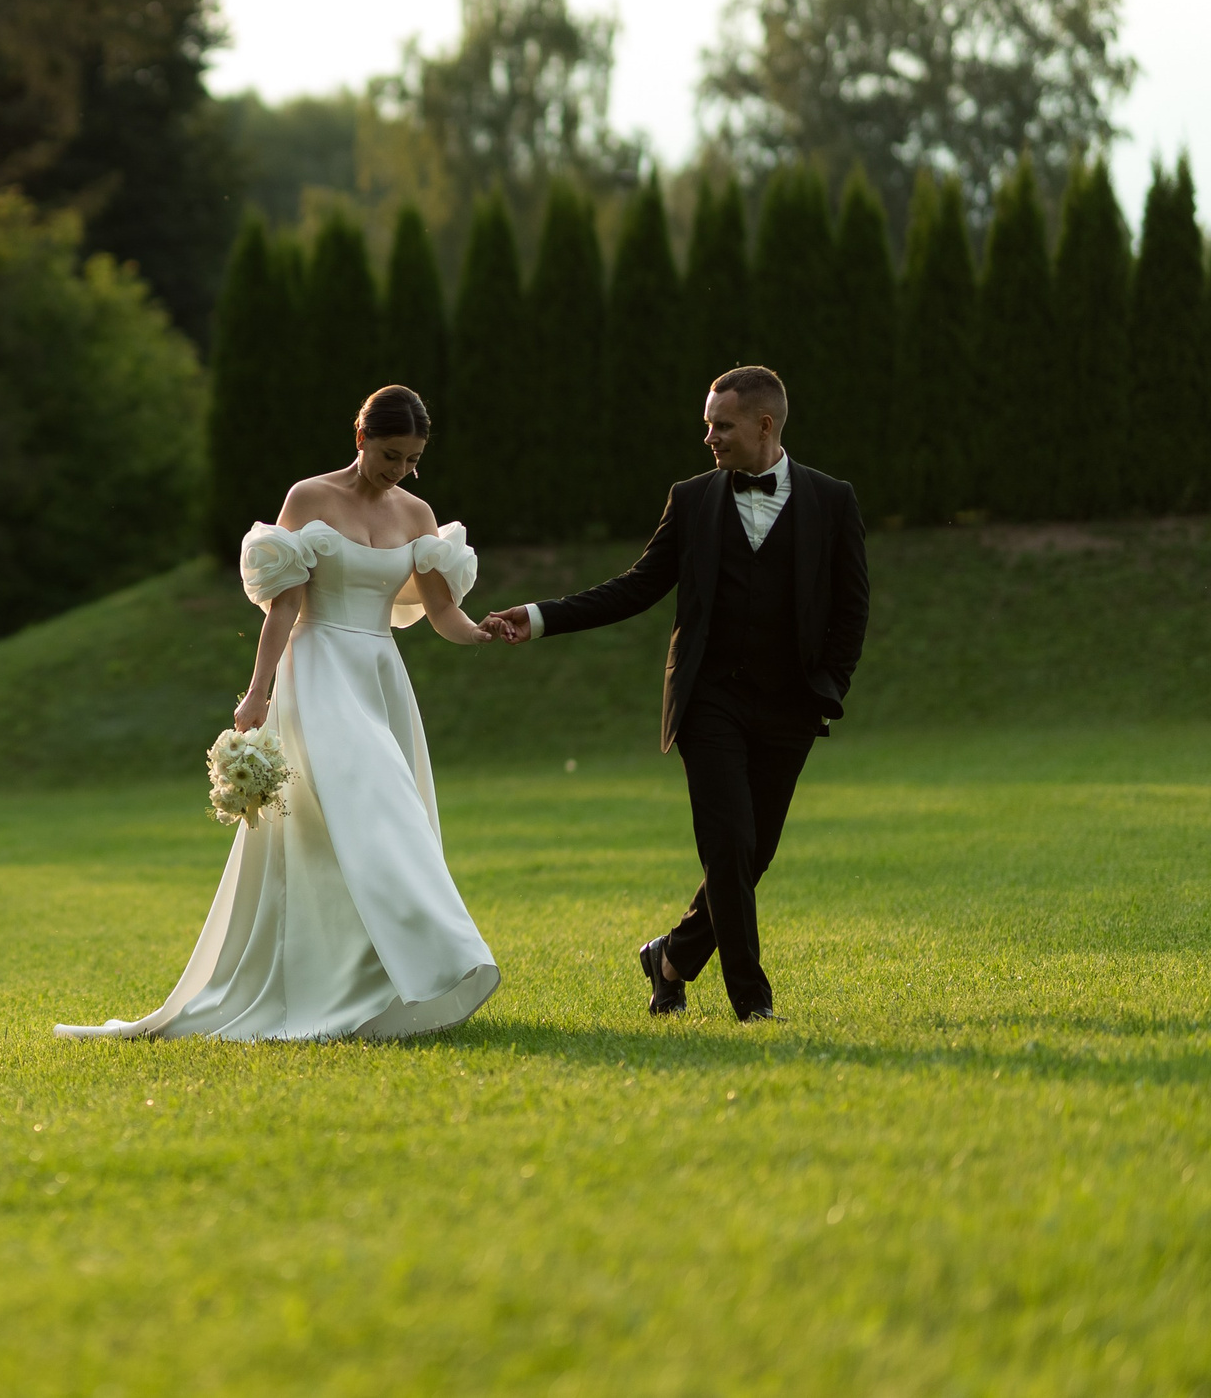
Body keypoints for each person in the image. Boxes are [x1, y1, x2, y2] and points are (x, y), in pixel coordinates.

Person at [56, 385, 503, 1043]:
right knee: (366, 809)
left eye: (412, 459)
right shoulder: (309, 498)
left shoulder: (417, 512)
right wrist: (257, 691)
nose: (401, 470)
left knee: (382, 817)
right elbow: (285, 608)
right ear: (361, 438)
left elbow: (441, 611)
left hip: (380, 678)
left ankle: (391, 978)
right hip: (317, 672)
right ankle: (413, 963)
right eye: (390, 454)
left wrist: (480, 632)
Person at [482, 366, 869, 1022]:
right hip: (708, 700)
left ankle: (670, 957)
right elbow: (636, 587)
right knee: (728, 845)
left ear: (764, 425)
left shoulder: (833, 500)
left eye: (721, 425)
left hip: (790, 706)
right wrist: (541, 616)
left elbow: (851, 607)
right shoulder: (691, 500)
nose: (708, 437)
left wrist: (827, 689)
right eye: (707, 424)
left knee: (754, 854)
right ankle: (752, 1002)